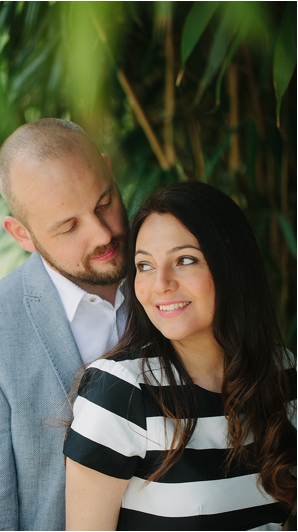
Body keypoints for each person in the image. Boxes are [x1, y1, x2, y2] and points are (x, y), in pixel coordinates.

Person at [64, 182, 297, 530]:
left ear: (232, 265)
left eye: (185, 260)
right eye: (144, 266)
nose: (160, 284)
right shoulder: (119, 393)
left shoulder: (283, 371)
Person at [0, 118, 129, 530]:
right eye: (69, 226)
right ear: (22, 234)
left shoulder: (179, 284)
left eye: (104, 203)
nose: (102, 234)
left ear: (109, 170)